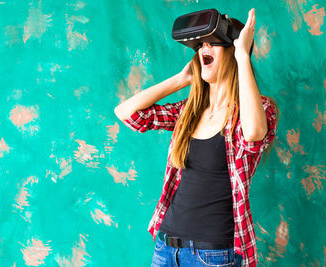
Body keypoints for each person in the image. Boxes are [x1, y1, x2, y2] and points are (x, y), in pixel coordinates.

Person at [114, 8, 279, 267]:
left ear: (233, 51)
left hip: (213, 256)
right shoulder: (188, 111)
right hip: (166, 249)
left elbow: (254, 135)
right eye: (200, 44)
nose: (203, 48)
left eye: (212, 43)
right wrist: (181, 79)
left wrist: (243, 57)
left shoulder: (259, 110)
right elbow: (127, 113)